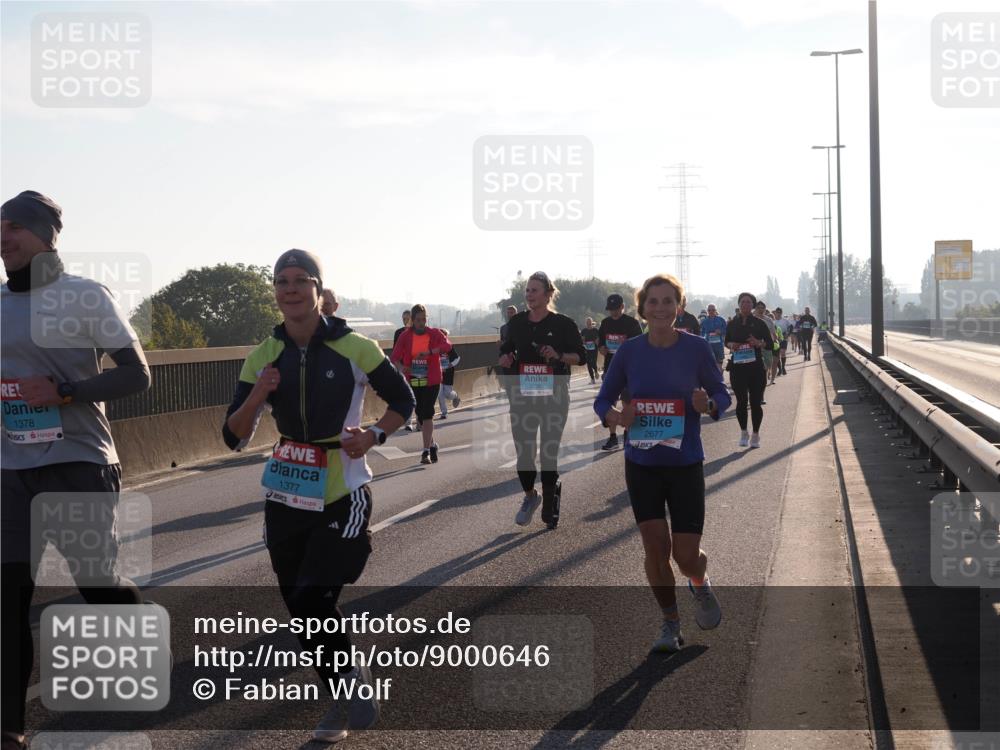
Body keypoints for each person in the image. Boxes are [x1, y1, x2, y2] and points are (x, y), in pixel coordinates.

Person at [223, 249, 414, 743]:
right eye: (281, 282)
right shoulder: (263, 354)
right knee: (297, 602)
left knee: (315, 595)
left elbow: (403, 400)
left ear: (317, 289)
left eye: (299, 281)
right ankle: (342, 692)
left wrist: (373, 435)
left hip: (342, 488)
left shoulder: (356, 346)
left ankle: (347, 686)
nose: (289, 290)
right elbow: (232, 435)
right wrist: (258, 395)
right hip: (286, 490)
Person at [2, 191, 152, 750]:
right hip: (10, 467)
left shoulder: (84, 296)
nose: (4, 235)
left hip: (77, 460)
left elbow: (136, 376)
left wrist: (65, 391)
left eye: (16, 226)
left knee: (97, 584)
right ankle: (9, 728)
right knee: (7, 595)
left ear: (46, 236)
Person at [594, 273, 730, 653]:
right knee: (655, 546)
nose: (660, 308)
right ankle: (670, 623)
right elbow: (603, 401)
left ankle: (699, 583)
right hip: (642, 462)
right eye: (653, 302)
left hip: (685, 461)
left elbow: (721, 392)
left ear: (679, 307)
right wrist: (617, 418)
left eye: (668, 301)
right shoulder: (629, 352)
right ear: (642, 309)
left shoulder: (697, 348)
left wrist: (711, 404)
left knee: (685, 556)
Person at [498, 272, 585, 530]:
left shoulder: (564, 324)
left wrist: (558, 355)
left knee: (548, 452)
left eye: (534, 290)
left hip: (555, 396)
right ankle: (530, 496)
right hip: (523, 396)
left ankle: (549, 501)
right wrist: (506, 357)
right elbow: (506, 348)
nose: (529, 295)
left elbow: (580, 357)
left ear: (548, 294)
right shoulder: (517, 323)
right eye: (527, 290)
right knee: (524, 454)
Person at [391, 304, 452, 465]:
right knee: (420, 416)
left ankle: (425, 452)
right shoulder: (405, 336)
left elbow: (448, 346)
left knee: (427, 413)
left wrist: (431, 352)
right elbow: (394, 357)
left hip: (431, 379)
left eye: (424, 319)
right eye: (418, 320)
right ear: (412, 320)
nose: (421, 323)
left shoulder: (434, 333)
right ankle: (432, 445)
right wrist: (402, 367)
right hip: (414, 380)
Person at [725, 293, 772, 449]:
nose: (745, 304)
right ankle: (744, 432)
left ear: (753, 305)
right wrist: (732, 345)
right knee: (741, 402)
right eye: (743, 302)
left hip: (756, 368)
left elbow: (771, 344)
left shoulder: (760, 323)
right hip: (738, 368)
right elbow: (727, 342)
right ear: (739, 304)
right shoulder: (732, 324)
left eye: (748, 302)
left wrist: (758, 342)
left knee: (756, 402)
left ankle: (756, 434)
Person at [598, 294, 642, 451]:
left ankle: (628, 432)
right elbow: (601, 342)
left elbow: (640, 346)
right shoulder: (605, 323)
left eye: (616, 309)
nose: (614, 313)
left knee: (627, 402)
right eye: (611, 310)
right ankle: (612, 437)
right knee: (609, 403)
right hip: (610, 368)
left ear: (622, 307)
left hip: (629, 370)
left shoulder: (632, 323)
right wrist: (601, 348)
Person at [437, 329, 461, 419]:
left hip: (448, 373)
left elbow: (457, 358)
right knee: (439, 394)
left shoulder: (449, 346)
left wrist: (451, 364)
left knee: (448, 394)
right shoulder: (435, 347)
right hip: (438, 373)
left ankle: (455, 396)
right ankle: (444, 412)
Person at [700, 304, 727, 373]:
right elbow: (701, 334)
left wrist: (721, 331)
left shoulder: (721, 320)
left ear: (716, 310)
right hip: (708, 346)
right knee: (710, 366)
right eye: (709, 310)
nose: (711, 311)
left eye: (713, 310)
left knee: (719, 365)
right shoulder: (704, 322)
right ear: (707, 311)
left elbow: (727, 330)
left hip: (719, 346)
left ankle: (720, 380)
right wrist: (704, 339)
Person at [773, 307, 792, 376]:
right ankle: (780, 369)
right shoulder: (773, 321)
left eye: (779, 312)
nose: (778, 314)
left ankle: (783, 367)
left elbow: (791, 327)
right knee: (777, 355)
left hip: (784, 338)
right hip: (776, 339)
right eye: (777, 312)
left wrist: (788, 334)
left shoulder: (785, 320)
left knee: (783, 353)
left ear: (781, 313)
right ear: (775, 313)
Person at [581, 317, 600, 383]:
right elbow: (582, 339)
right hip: (587, 348)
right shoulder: (584, 331)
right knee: (588, 363)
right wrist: (583, 342)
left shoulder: (595, 330)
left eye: (589, 322)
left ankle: (596, 371)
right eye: (587, 322)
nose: (588, 323)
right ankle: (592, 379)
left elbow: (598, 339)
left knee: (593, 362)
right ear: (586, 323)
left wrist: (596, 342)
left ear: (591, 322)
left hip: (594, 348)